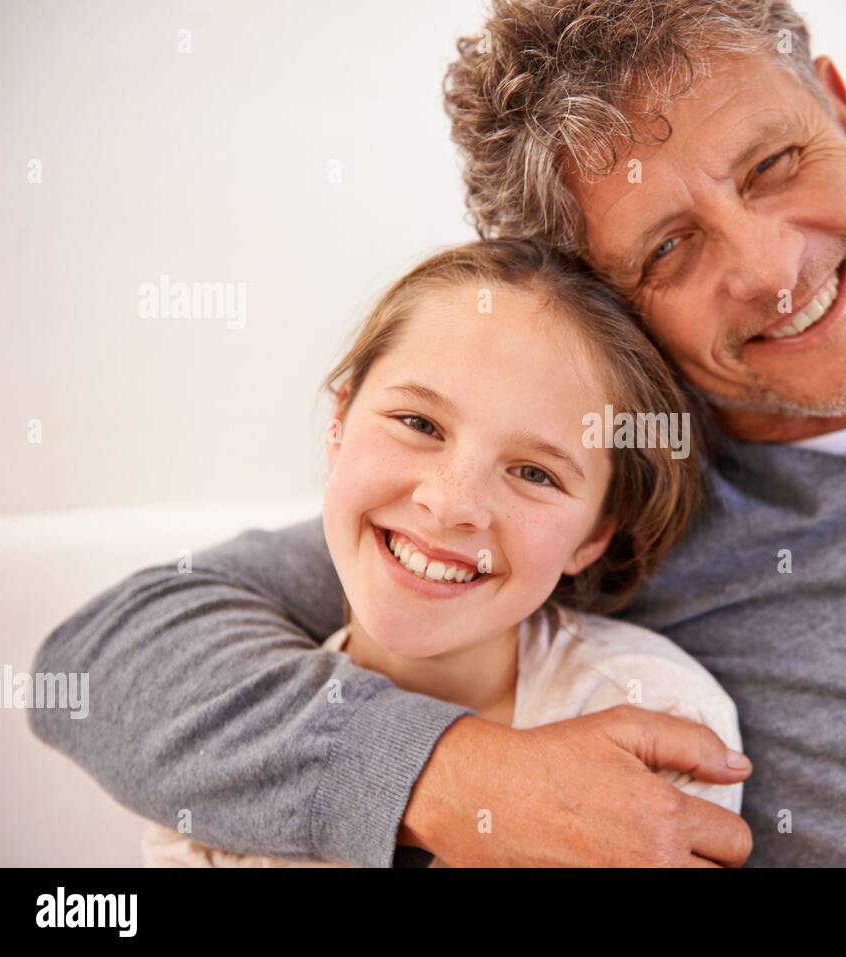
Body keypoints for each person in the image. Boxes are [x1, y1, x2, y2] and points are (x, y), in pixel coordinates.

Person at [30, 0, 846, 867]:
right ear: (604, 300)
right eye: (669, 248)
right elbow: (109, 657)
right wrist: (459, 781)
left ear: (838, 106)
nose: (770, 267)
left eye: (776, 163)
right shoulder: (593, 503)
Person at [136, 238, 743, 866]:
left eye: (535, 473)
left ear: (592, 537)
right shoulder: (213, 776)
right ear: (338, 425)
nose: (452, 503)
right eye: (418, 424)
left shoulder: (657, 717)